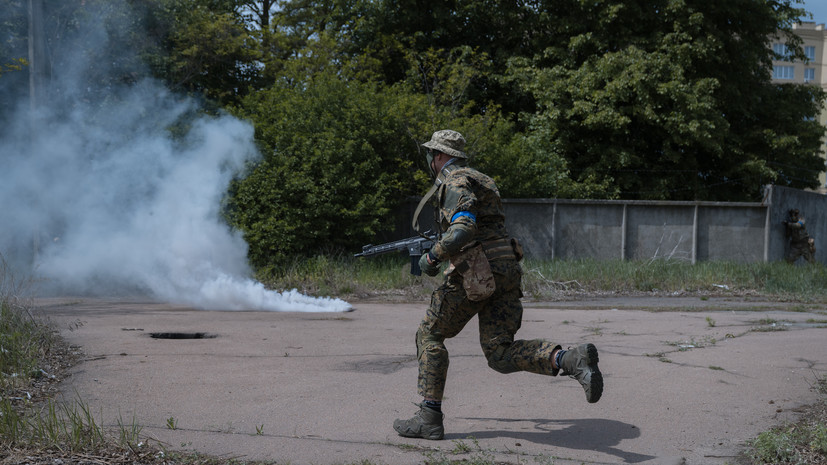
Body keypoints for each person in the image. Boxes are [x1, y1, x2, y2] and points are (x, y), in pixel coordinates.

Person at [393, 129, 603, 440]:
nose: (430, 160)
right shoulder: (483, 179)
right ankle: (570, 359)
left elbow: (463, 229)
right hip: (506, 267)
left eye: (430, 155)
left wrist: (434, 256)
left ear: (438, 156)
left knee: (430, 333)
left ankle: (429, 416)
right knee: (500, 353)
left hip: (476, 272)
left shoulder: (454, 181)